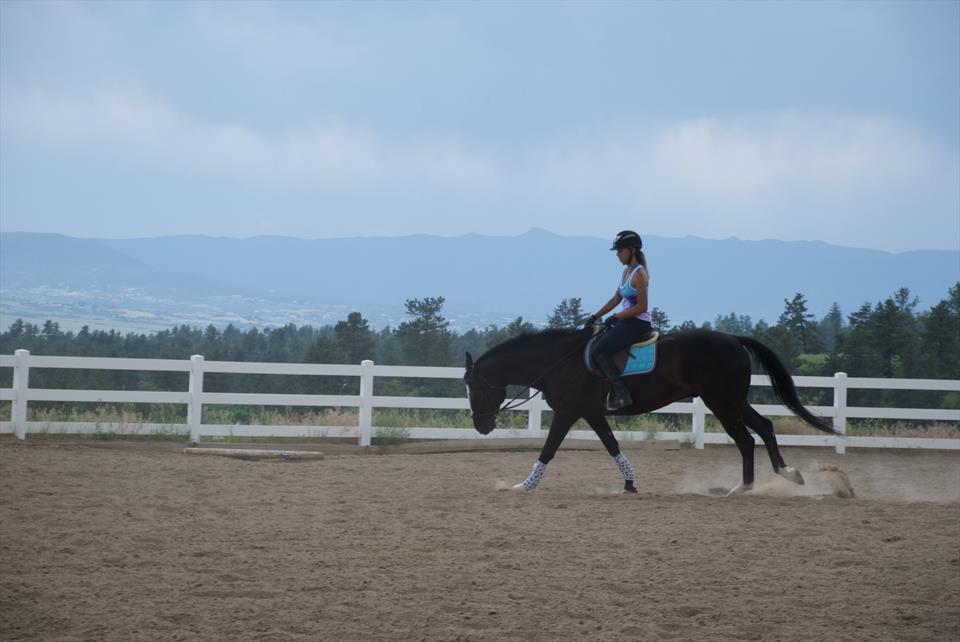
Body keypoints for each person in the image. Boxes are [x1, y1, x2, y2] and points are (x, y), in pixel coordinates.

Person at [583, 230, 654, 411]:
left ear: (631, 250)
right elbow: (616, 299)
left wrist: (616, 317)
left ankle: (622, 394)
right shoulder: (626, 272)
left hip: (638, 323)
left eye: (620, 251)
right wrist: (595, 316)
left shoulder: (639, 274)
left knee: (599, 352)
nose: (618, 255)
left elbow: (642, 307)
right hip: (626, 321)